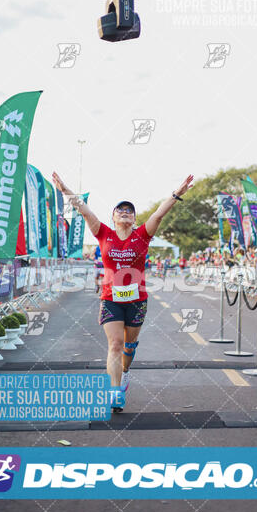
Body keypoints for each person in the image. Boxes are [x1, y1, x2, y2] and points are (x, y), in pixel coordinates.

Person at [53, 171, 194, 411]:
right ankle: (115, 391)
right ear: (114, 216)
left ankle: (125, 371)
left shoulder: (142, 235)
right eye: (121, 210)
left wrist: (176, 195)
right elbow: (84, 210)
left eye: (130, 210)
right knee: (116, 344)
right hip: (111, 299)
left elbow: (159, 213)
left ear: (135, 218)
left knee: (129, 346)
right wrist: (66, 190)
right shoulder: (104, 233)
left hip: (137, 300)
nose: (125, 212)